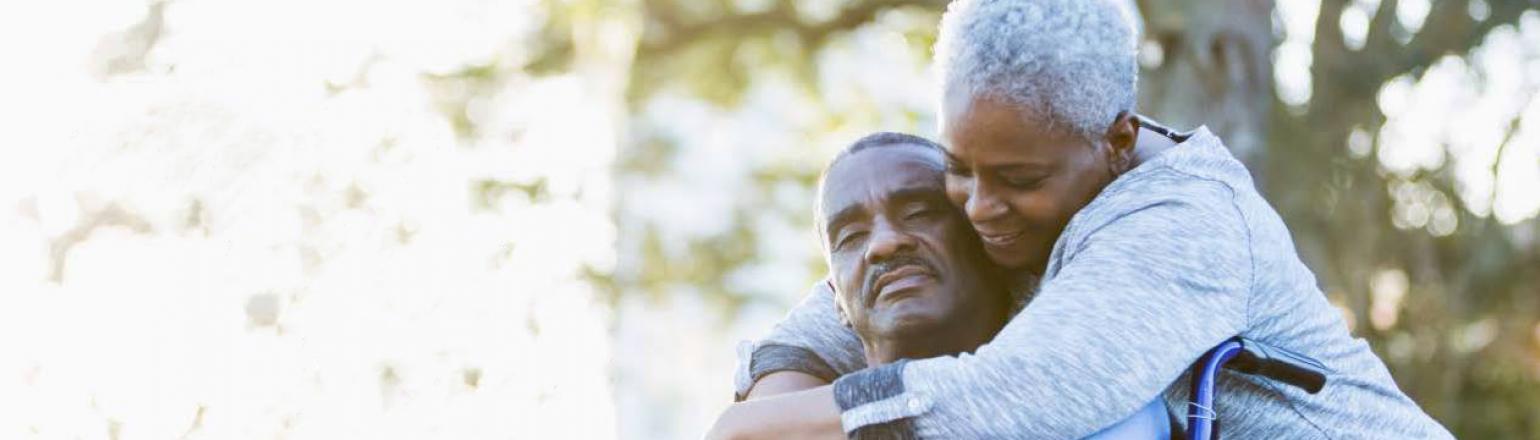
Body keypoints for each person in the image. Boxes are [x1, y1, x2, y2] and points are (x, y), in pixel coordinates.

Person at [710, 0, 1454, 438]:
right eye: (958, 170)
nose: (978, 207)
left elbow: (1022, 394)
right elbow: (824, 324)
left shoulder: (1183, 223)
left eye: (1017, 180)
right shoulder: (1001, 177)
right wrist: (759, 415)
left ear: (1117, 140)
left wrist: (800, 423)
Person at [716, 132, 1170, 439]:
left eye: (918, 213)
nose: (885, 243)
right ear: (834, 303)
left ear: (990, 242)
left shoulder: (1103, 412)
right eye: (852, 237)